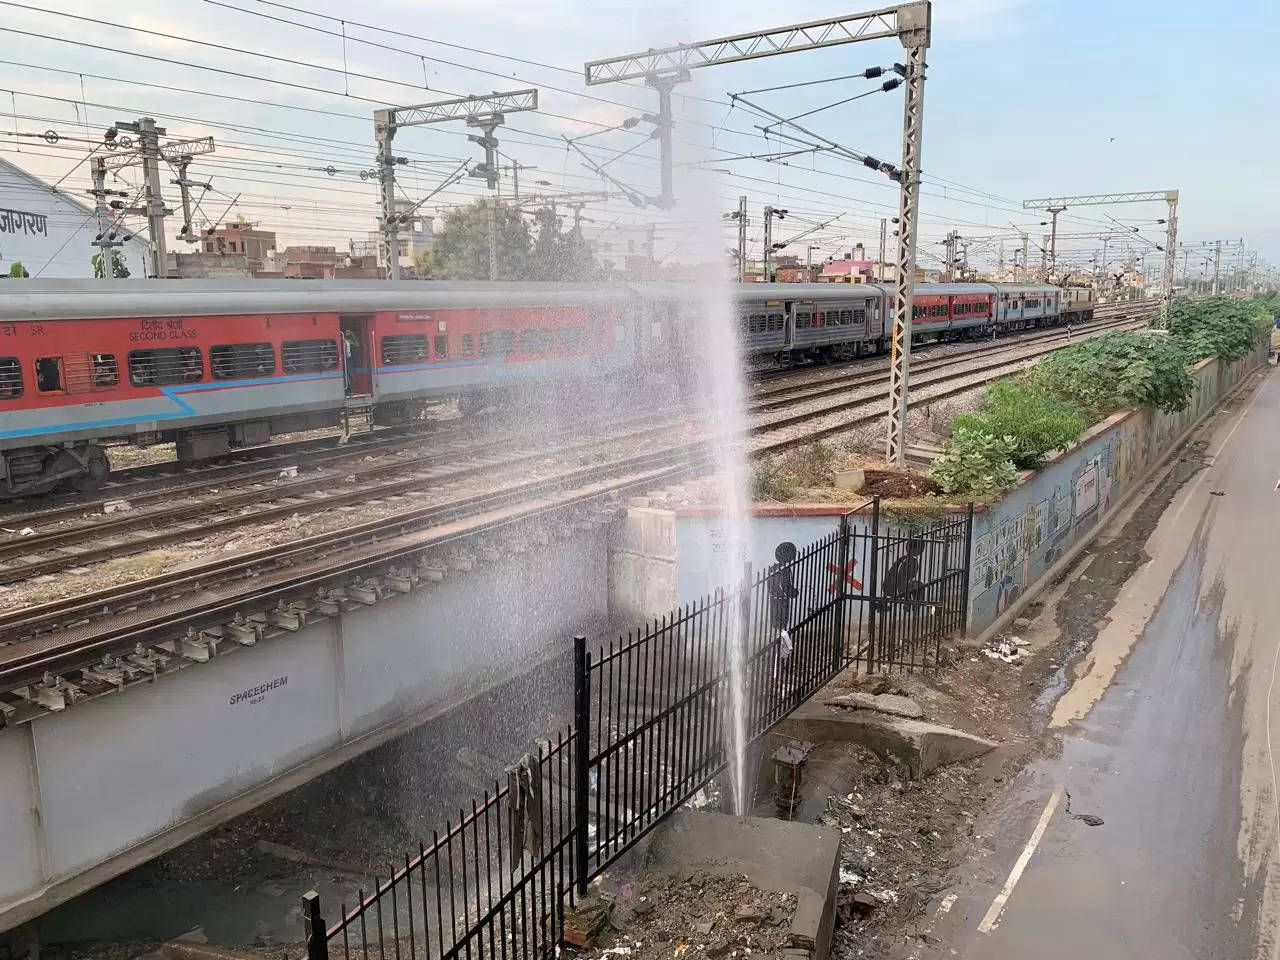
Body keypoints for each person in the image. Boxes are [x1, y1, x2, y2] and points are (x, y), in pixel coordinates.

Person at [767, 541, 800, 680]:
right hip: (782, 603)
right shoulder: (786, 570)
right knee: (782, 631)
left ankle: (778, 661)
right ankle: (781, 663)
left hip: (773, 602)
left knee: (777, 631)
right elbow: (786, 588)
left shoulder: (772, 569)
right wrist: (794, 592)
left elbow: (770, 587)